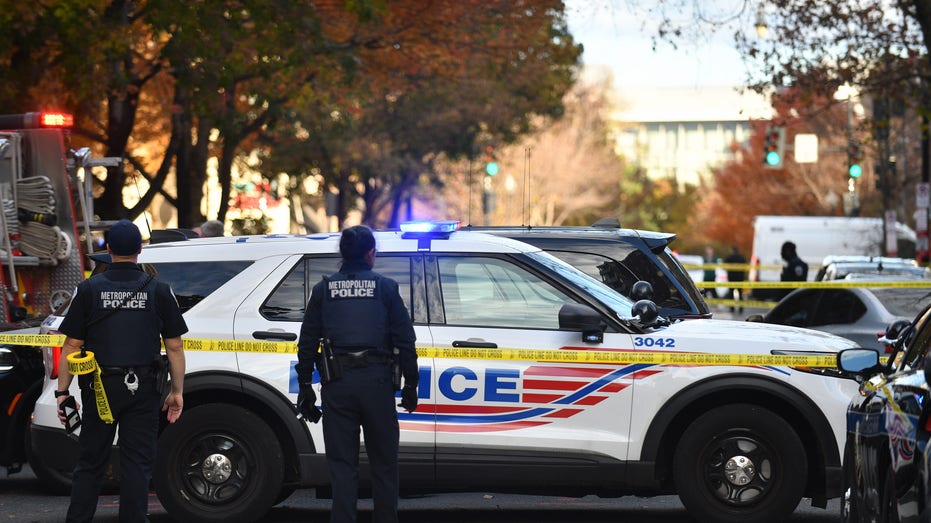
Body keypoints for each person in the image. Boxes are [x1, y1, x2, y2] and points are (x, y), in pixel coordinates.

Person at [55, 219, 188, 522]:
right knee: (137, 464)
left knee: (90, 462)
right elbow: (175, 348)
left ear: (109, 249)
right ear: (141, 249)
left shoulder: (88, 290)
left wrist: (63, 393)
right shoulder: (159, 290)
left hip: (99, 389)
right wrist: (176, 392)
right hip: (143, 388)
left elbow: (71, 346)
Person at [294, 225, 418, 523]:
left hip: (337, 385)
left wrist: (305, 387)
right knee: (384, 466)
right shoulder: (386, 288)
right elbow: (405, 340)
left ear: (342, 254)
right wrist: (411, 384)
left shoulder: (323, 291)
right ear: (370, 254)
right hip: (377, 384)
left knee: (342, 467)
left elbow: (307, 342)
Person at [724, 245, 747, 313]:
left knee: (731, 294)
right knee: (740, 294)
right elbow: (745, 266)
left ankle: (732, 309)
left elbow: (724, 265)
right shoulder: (742, 258)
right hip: (740, 279)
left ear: (732, 250)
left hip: (731, 279)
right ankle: (741, 309)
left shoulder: (729, 258)